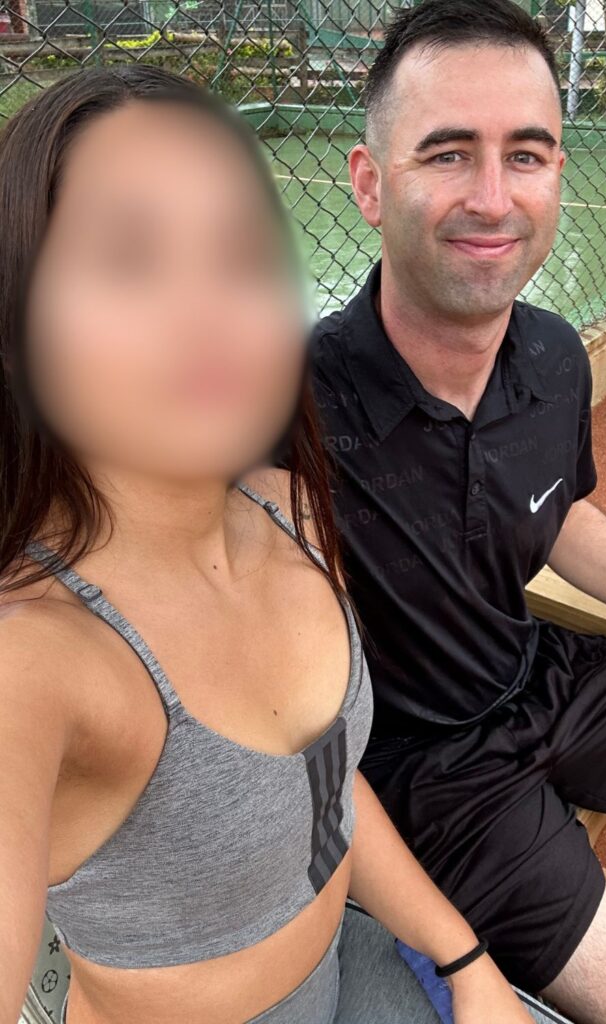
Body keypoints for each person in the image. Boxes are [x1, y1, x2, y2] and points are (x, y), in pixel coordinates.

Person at [0, 65, 542, 1024]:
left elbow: (325, 792)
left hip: (348, 966)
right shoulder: (32, 654)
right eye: (128, 258)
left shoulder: (290, 511)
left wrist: (463, 959)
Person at [305, 2, 606, 1023]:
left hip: (540, 680)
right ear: (369, 184)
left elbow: (557, 506)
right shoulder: (290, 413)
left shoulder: (549, 356)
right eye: (447, 154)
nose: (492, 197)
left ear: (555, 177)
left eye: (526, 155)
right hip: (431, 782)